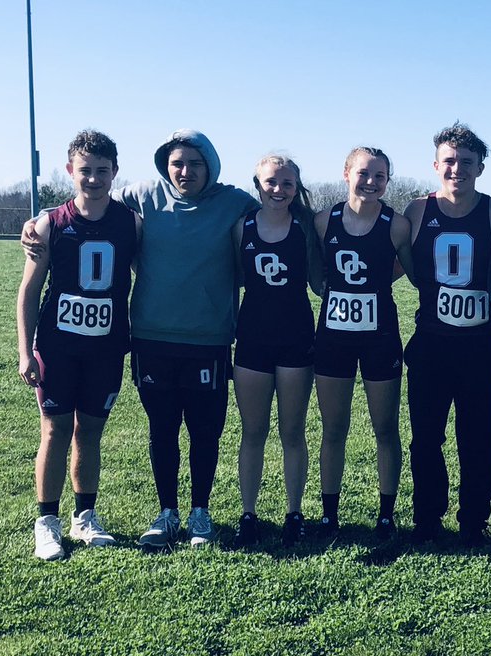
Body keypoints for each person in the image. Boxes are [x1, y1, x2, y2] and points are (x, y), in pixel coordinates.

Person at [26, 129, 260, 548]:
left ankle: (193, 513)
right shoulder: (145, 195)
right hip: (143, 338)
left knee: (199, 430)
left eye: (195, 163)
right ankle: (154, 513)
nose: (185, 171)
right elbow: (85, 204)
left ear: (210, 165)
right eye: (177, 163)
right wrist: (39, 220)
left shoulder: (234, 202)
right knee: (151, 429)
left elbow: (276, 215)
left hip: (203, 339)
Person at [16, 130, 138, 560]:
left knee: (90, 432)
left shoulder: (131, 223)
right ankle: (46, 522)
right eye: (85, 170)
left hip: (106, 349)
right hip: (57, 348)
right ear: (70, 170)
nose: (93, 179)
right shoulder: (50, 224)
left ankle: (84, 516)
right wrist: (24, 351)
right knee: (54, 431)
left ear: (115, 172)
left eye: (102, 171)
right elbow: (29, 292)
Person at [400, 124, 491, 548]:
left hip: (478, 347)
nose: (457, 169)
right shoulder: (416, 211)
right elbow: (403, 264)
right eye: (449, 161)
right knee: (425, 438)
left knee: (479, 439)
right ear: (435, 165)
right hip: (430, 345)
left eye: (466, 162)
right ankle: (427, 520)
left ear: (480, 168)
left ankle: (473, 522)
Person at [314, 147, 413, 541]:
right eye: (363, 173)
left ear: (387, 181)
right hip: (333, 337)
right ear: (346, 173)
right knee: (333, 428)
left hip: (380, 337)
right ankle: (329, 515)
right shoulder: (324, 221)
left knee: (385, 427)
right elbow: (315, 267)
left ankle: (386, 516)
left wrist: (378, 282)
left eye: (380, 176)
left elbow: (412, 269)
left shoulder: (397, 225)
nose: (371, 182)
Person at [233, 155, 323, 548]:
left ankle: (294, 514)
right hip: (252, 338)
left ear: (296, 187)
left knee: (292, 431)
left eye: (287, 183)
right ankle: (248, 514)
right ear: (257, 184)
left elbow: (320, 281)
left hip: (296, 337)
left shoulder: (306, 227)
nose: (278, 190)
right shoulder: (242, 228)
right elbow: (234, 277)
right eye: (271, 182)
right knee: (253, 431)